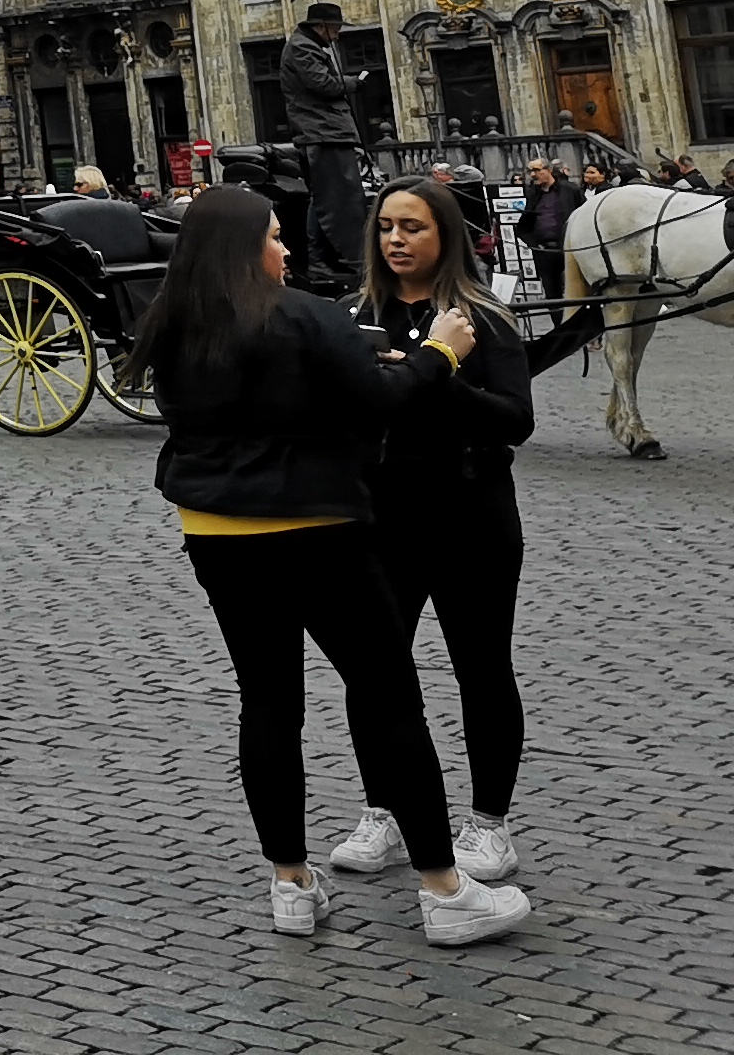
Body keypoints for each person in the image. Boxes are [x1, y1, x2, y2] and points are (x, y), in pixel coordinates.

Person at [129, 183, 528, 945]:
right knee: (389, 696)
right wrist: (440, 355)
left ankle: (290, 882)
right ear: (245, 249)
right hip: (315, 528)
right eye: (275, 237)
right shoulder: (306, 315)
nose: (285, 250)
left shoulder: (170, 322)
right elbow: (379, 401)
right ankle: (444, 888)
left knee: (267, 704)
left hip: (215, 533)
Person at [333, 176, 535, 890]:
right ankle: (384, 809)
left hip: (469, 515)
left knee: (482, 668)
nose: (396, 239)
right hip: (380, 518)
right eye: (386, 226)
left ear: (444, 235)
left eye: (413, 227)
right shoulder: (354, 314)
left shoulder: (483, 318)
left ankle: (489, 822)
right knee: (374, 671)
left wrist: (440, 375)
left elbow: (516, 419)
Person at [280, 3, 370, 281]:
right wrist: (353, 83)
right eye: (335, 29)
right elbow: (324, 85)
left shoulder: (306, 46)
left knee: (330, 199)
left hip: (325, 133)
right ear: (320, 27)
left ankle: (328, 258)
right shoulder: (301, 48)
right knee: (331, 200)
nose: (337, 35)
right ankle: (322, 260)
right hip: (322, 133)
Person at [513, 161, 581, 308]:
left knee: (577, 292)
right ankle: (558, 322)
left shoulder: (570, 190)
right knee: (552, 295)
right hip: (544, 251)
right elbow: (525, 224)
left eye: (537, 170)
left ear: (549, 170)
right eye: (530, 171)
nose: (533, 174)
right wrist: (534, 245)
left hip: (570, 249)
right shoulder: (532, 193)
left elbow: (584, 215)